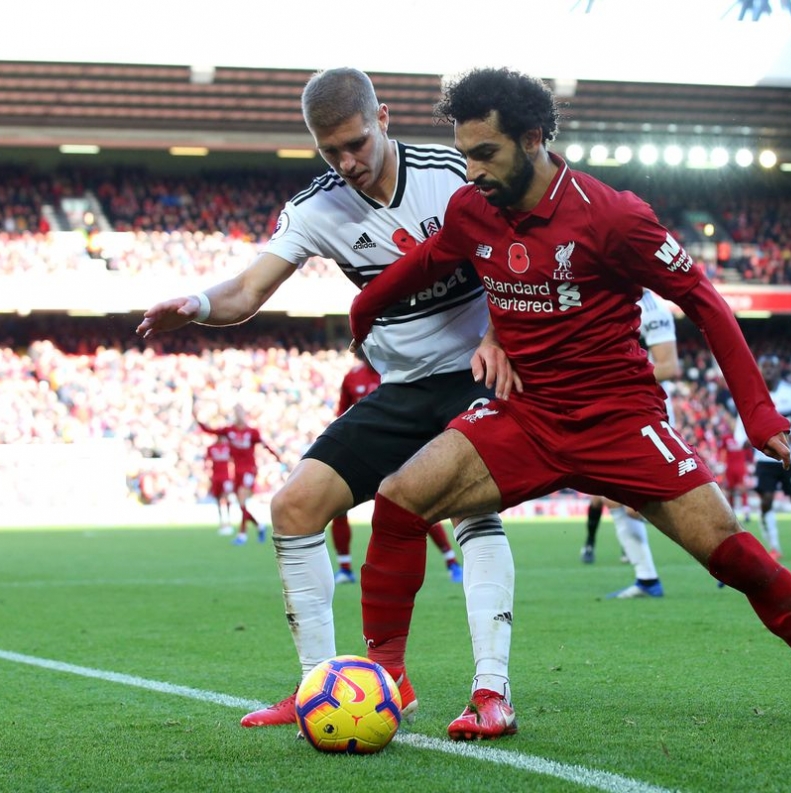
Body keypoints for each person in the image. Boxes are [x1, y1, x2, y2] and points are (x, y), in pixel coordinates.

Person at [348, 67, 791, 737]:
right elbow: (434, 258)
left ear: (533, 139)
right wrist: (367, 304)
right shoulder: (473, 209)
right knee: (401, 497)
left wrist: (758, 412)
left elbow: (702, 299)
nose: (471, 171)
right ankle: (386, 682)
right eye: (463, 154)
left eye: (485, 154)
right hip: (525, 415)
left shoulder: (612, 215)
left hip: (620, 422)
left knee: (731, 551)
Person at [136, 67, 518, 740]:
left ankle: (491, 690)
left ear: (384, 118)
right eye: (329, 150)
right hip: (401, 390)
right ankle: (318, 687)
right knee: (293, 506)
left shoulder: (450, 175)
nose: (347, 162)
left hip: (474, 376)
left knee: (470, 506)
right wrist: (194, 304)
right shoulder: (317, 208)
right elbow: (248, 291)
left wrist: (497, 334)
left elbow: (524, 255)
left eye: (355, 142)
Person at [331, 349, 463, 585]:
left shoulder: (396, 372)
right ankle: (344, 568)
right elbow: (341, 416)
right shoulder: (351, 378)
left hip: (397, 452)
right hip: (361, 453)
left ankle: (451, 562)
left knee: (418, 507)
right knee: (336, 508)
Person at [588, 288, 682, 598]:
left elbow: (669, 367)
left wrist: (612, 384)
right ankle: (647, 580)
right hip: (615, 411)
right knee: (611, 498)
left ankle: (724, 546)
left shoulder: (653, 307)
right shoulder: (602, 292)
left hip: (645, 412)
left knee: (636, 507)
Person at [733, 355, 791, 557]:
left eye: (772, 367)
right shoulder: (751, 395)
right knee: (766, 500)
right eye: (764, 367)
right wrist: (740, 439)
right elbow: (741, 421)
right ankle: (775, 547)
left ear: (779, 370)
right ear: (759, 370)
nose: (768, 371)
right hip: (765, 457)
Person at [196, 404, 281, 545]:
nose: (238, 415)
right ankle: (259, 525)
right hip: (236, 471)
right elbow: (209, 430)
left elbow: (265, 445)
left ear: (245, 414)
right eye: (236, 412)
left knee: (241, 499)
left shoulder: (252, 432)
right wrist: (197, 418)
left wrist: (277, 456)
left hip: (249, 470)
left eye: (240, 412)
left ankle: (242, 535)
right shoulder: (229, 431)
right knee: (241, 504)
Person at [205, 436, 237, 536]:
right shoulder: (211, 448)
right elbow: (207, 462)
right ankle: (221, 522)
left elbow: (233, 460)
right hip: (216, 477)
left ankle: (228, 521)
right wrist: (208, 475)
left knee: (226, 498)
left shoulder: (228, 447)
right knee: (218, 499)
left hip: (226, 477)